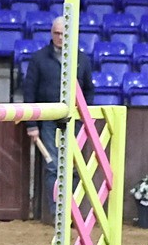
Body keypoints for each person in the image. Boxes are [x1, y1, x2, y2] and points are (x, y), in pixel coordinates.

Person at [21, 15, 94, 221]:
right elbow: (29, 92)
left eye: (63, 34)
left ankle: (71, 210)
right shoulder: (39, 58)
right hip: (48, 119)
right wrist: (31, 124)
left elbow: (89, 90)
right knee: (53, 165)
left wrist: (84, 118)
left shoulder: (82, 60)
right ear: (51, 34)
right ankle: (57, 213)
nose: (60, 37)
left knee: (74, 167)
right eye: (57, 33)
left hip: (74, 121)